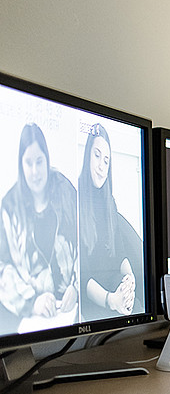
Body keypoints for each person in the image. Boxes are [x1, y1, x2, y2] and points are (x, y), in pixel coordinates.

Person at [0, 123, 79, 333]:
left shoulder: (64, 190)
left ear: (47, 159)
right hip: (34, 321)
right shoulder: (9, 206)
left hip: (73, 313)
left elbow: (85, 242)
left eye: (39, 162)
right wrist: (32, 302)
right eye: (28, 163)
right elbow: (2, 267)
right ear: (21, 165)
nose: (35, 172)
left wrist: (77, 287)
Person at [78, 123, 144, 319]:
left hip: (114, 286)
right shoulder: (76, 200)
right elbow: (82, 277)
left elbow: (120, 254)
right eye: (97, 156)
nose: (101, 166)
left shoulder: (109, 202)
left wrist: (129, 280)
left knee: (138, 307)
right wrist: (111, 300)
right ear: (87, 156)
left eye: (106, 161)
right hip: (93, 296)